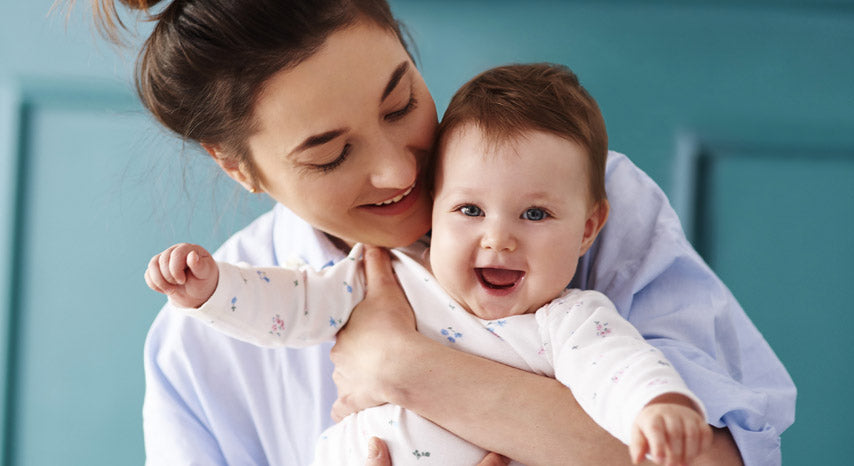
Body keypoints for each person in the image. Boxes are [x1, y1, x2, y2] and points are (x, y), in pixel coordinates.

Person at [87, 0, 795, 464]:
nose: (398, 171)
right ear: (236, 166)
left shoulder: (579, 202)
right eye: (332, 154)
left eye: (401, 104)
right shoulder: (203, 343)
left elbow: (714, 457)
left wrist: (407, 370)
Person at [145, 63, 715, 466]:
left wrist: (658, 406)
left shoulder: (569, 321)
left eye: (535, 215)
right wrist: (215, 289)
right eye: (469, 210)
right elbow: (291, 305)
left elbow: (619, 369)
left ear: (589, 228)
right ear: (438, 208)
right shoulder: (384, 278)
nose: (499, 240)